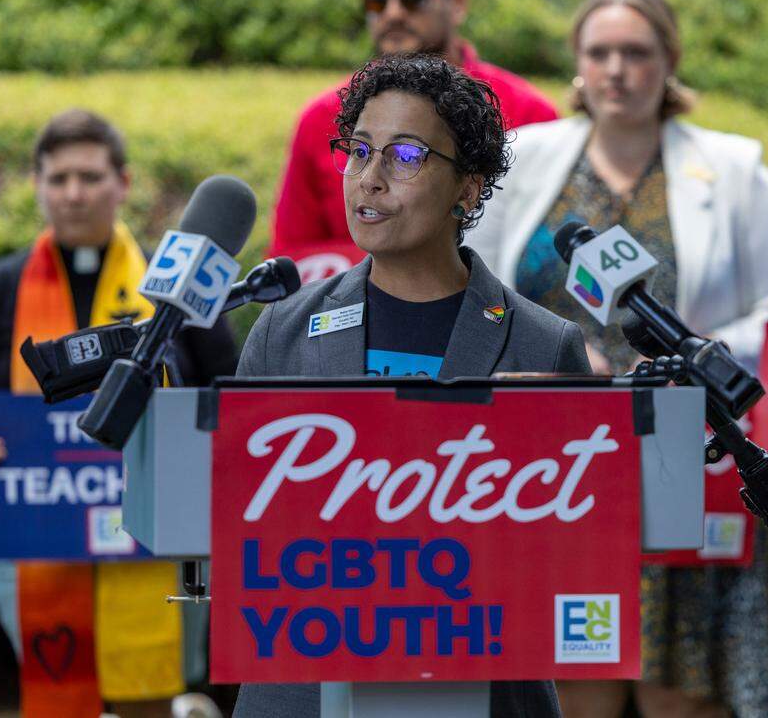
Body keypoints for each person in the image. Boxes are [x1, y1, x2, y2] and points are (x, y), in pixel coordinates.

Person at [468, 0, 768, 718]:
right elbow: (470, 286)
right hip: (549, 466)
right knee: (567, 673)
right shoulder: (519, 160)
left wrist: (699, 353)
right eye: (601, 52)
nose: (617, 68)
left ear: (669, 61)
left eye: (637, 52)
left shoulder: (736, 170)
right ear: (578, 65)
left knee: (681, 684)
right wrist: (553, 349)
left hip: (689, 454)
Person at [234, 53, 588, 717]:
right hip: (306, 688)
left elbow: (568, 566)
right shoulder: (281, 332)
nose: (369, 179)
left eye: (405, 156)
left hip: (479, 685)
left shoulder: (544, 344)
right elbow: (241, 531)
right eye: (358, 151)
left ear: (470, 189)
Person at [0, 109, 238, 717]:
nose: (74, 193)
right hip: (36, 536)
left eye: (90, 177)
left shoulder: (177, 289)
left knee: (149, 701)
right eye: (59, 177)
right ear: (38, 185)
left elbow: (229, 392)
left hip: (154, 538)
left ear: (123, 183)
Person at [265, 0, 558, 260]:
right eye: (377, 1)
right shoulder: (320, 118)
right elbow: (288, 255)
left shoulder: (529, 114)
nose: (393, 13)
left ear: (457, 3)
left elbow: (544, 253)